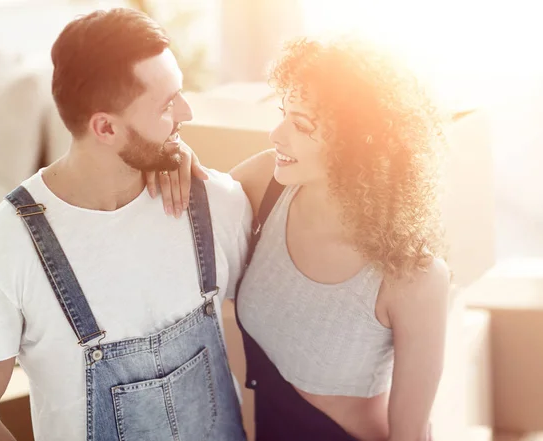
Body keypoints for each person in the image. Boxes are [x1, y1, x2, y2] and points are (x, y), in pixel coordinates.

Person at [0, 8, 249, 441]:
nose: (187, 113)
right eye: (167, 103)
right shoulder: (0, 252)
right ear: (105, 128)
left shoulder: (211, 202)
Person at [150, 35, 451, 441]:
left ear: (360, 141)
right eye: (283, 113)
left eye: (302, 124)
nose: (277, 134)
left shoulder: (414, 277)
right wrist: (174, 157)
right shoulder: (267, 185)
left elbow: (412, 433)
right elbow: (192, 201)